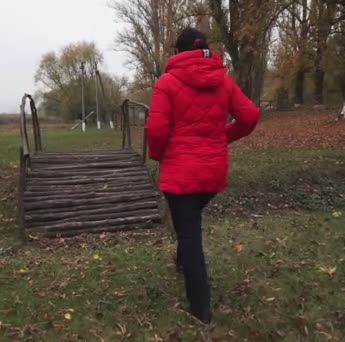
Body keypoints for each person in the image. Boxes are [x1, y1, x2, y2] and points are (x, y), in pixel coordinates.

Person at [145, 27, 260, 323]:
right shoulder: (223, 82)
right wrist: (223, 137)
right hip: (212, 173)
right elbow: (249, 116)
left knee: (190, 234)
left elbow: (156, 131)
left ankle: (200, 309)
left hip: (180, 173)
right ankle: (182, 261)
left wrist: (158, 155)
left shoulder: (167, 83)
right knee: (190, 221)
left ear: (178, 52)